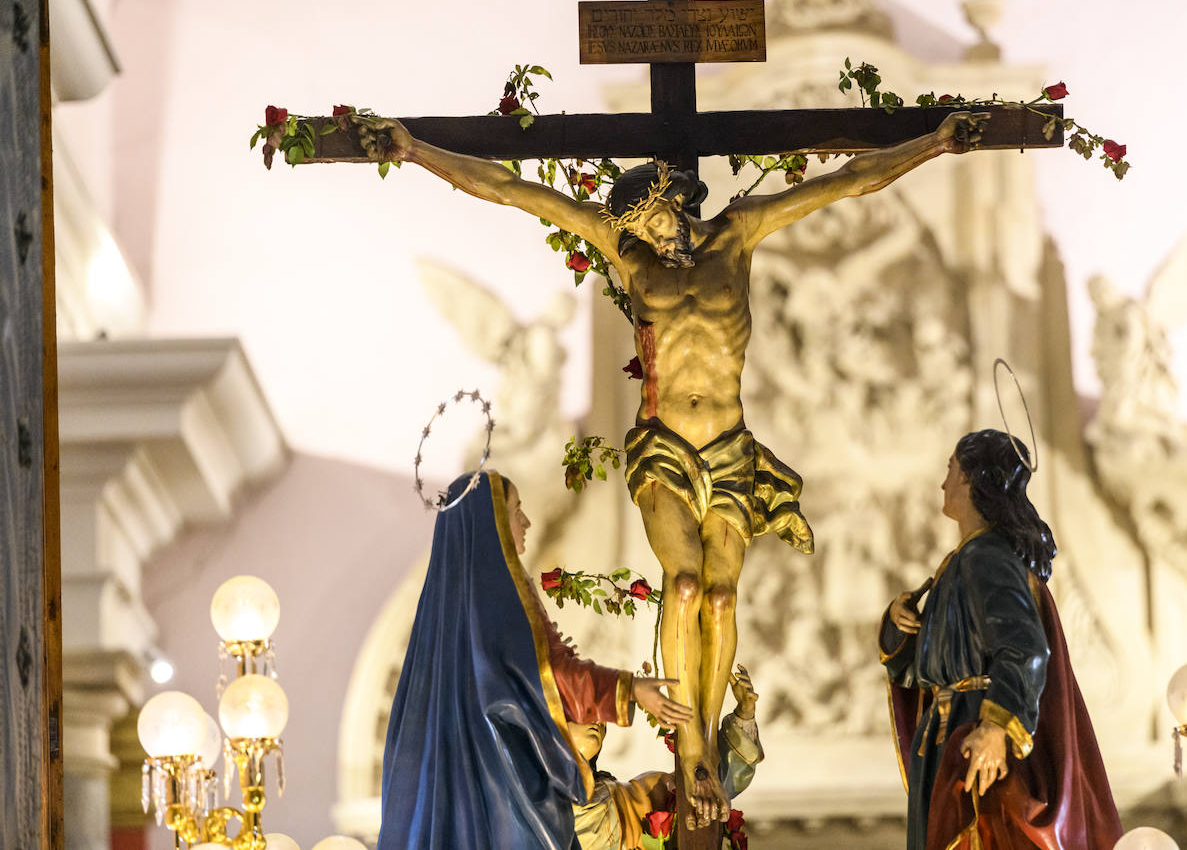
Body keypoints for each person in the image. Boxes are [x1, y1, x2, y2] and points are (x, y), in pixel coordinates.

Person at [357, 109, 988, 827]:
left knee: (720, 601)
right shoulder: (629, 258)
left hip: (729, 450)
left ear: (673, 202)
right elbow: (513, 191)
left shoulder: (741, 233)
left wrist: (936, 143)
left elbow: (846, 183)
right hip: (662, 447)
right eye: (637, 231)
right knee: (683, 584)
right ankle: (692, 752)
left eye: (654, 223)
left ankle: (713, 750)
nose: (648, 239)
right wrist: (415, 151)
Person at [378, 471, 692, 850]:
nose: (525, 522)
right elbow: (548, 673)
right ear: (489, 520)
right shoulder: (498, 596)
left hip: (464, 781)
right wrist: (629, 689)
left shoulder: (443, 607)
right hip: (503, 775)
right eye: (516, 510)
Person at [880, 430, 1122, 849]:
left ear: (975, 479)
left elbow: (1025, 646)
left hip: (974, 733)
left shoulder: (987, 556)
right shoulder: (960, 563)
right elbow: (923, 668)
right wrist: (896, 623)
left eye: (951, 470)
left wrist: (997, 727)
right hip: (948, 735)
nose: (944, 483)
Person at [569, 665, 764, 850]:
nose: (598, 720)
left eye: (601, 716)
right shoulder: (543, 801)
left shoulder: (643, 791)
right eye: (585, 712)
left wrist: (744, 716)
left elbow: (710, 782)